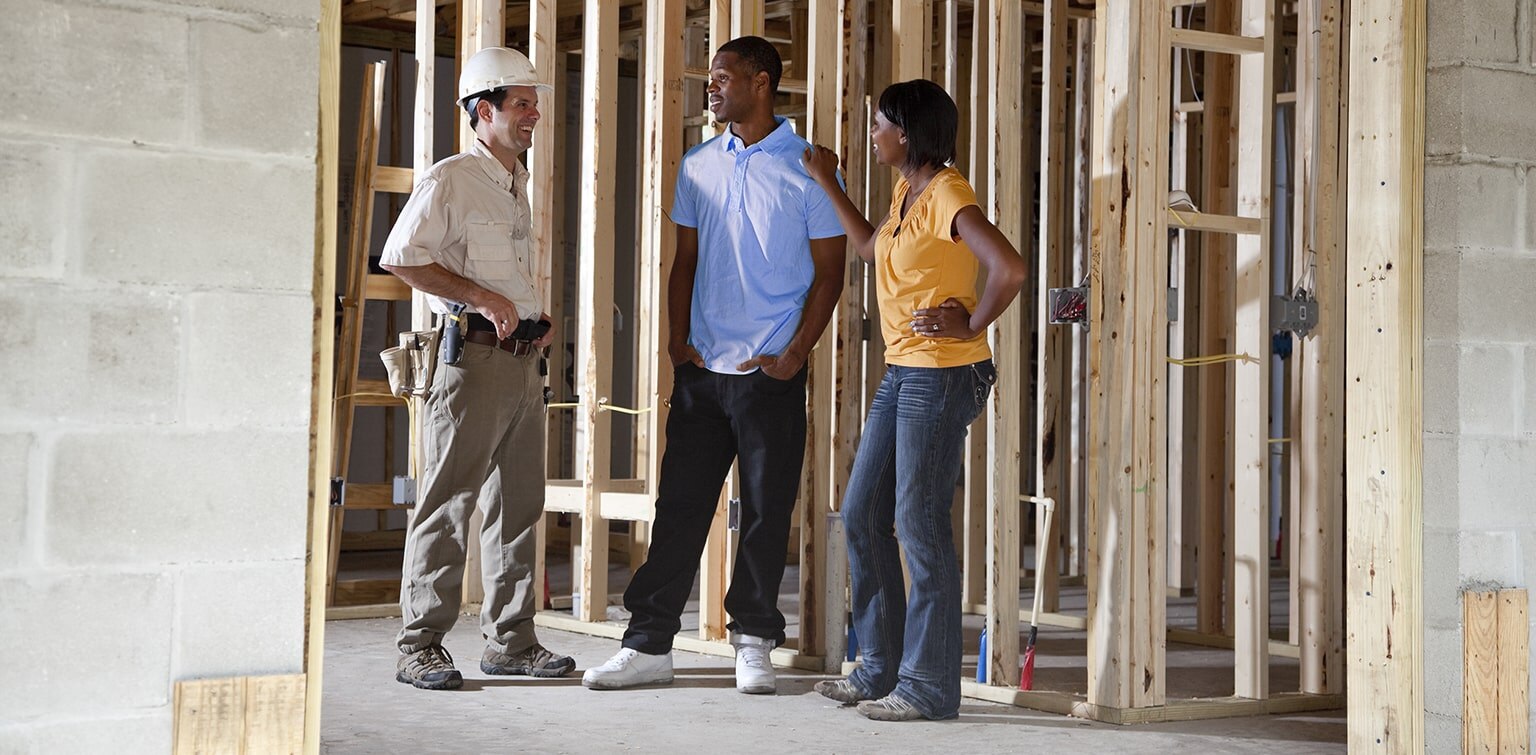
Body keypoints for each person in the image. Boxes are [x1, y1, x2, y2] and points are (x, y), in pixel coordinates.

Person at [581, 36, 846, 695]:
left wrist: (793, 355)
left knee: (764, 510)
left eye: (723, 77)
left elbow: (831, 274)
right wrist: (677, 344)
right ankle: (648, 644)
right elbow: (685, 262)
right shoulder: (697, 165)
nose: (711, 87)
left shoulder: (809, 167)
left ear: (761, 83)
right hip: (703, 373)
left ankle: (752, 641)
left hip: (769, 374)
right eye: (710, 79)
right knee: (679, 507)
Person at [802, 79, 1026, 721]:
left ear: (908, 131)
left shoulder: (950, 191)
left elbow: (1008, 268)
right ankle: (878, 669)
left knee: (918, 523)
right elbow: (874, 249)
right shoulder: (908, 191)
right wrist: (829, 183)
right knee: (862, 511)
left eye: (879, 125)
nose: (872, 135)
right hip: (903, 370)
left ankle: (928, 686)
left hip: (944, 373)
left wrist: (973, 322)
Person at [380, 47, 573, 690]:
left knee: (517, 506)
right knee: (448, 499)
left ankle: (511, 641)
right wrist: (483, 299)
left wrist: (532, 315)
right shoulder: (452, 178)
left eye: (534, 103)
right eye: (522, 103)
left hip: (519, 366)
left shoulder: (513, 182)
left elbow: (501, 274)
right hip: (470, 364)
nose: (534, 114)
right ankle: (420, 644)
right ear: (482, 109)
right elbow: (402, 257)